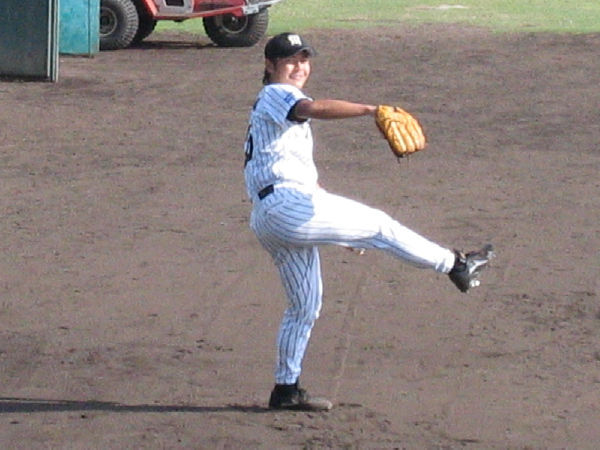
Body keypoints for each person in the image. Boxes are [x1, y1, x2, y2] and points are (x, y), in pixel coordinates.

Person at [243, 32, 494, 411]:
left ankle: (286, 389)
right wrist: (370, 110)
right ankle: (456, 264)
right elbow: (312, 108)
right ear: (270, 65)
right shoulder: (276, 95)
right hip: (284, 208)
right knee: (379, 226)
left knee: (304, 306)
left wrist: (340, 232)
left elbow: (305, 182)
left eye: (304, 59)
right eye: (290, 60)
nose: (299, 67)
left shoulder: (276, 113)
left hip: (276, 214)